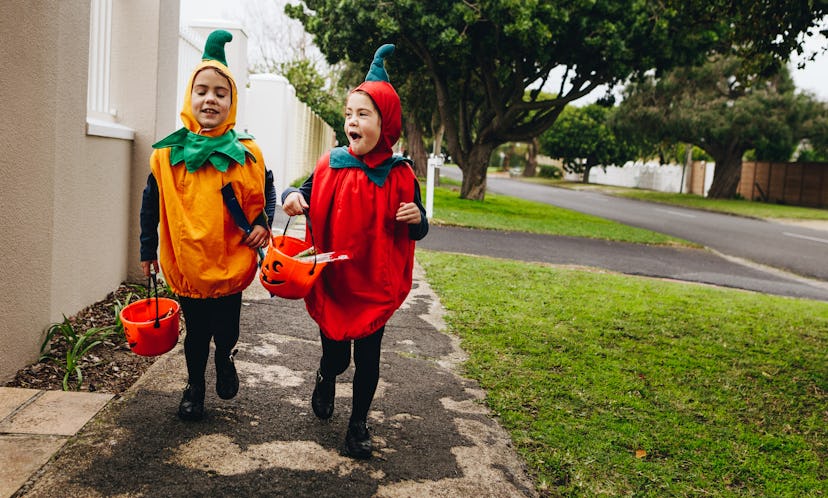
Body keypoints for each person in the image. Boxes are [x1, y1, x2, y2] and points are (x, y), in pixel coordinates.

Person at [281, 44, 428, 459]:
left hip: (374, 284)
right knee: (337, 356)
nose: (352, 121)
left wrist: (416, 217)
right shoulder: (332, 164)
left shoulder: (400, 175)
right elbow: (300, 191)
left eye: (363, 114)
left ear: (387, 123)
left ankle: (358, 422)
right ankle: (326, 376)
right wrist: (292, 197)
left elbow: (421, 229)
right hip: (334, 280)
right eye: (349, 114)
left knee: (368, 359)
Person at [139, 30, 275, 421]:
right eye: (202, 90)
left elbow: (265, 188)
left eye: (220, 92)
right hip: (188, 261)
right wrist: (148, 249)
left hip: (230, 258)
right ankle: (194, 385)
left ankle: (227, 359)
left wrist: (264, 223)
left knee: (226, 330)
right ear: (189, 97)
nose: (210, 99)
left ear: (232, 102)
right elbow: (152, 203)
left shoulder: (247, 153)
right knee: (196, 334)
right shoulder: (167, 155)